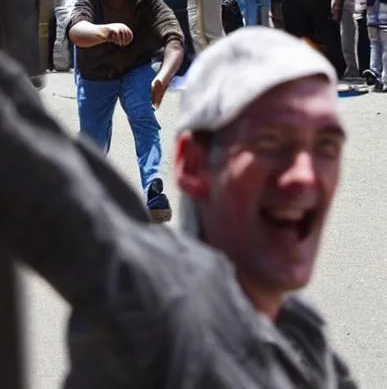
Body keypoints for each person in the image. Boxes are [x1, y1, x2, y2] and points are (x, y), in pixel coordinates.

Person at [0, 27, 357, 388]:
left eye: (326, 147)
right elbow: (40, 168)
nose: (305, 176)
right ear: (193, 164)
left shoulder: (303, 335)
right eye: (269, 142)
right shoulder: (157, 305)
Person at [68, 0, 184, 222]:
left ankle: (154, 188)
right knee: (94, 138)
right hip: (96, 74)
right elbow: (76, 30)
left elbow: (175, 39)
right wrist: (104, 30)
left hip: (135, 69)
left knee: (144, 119)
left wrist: (164, 76)